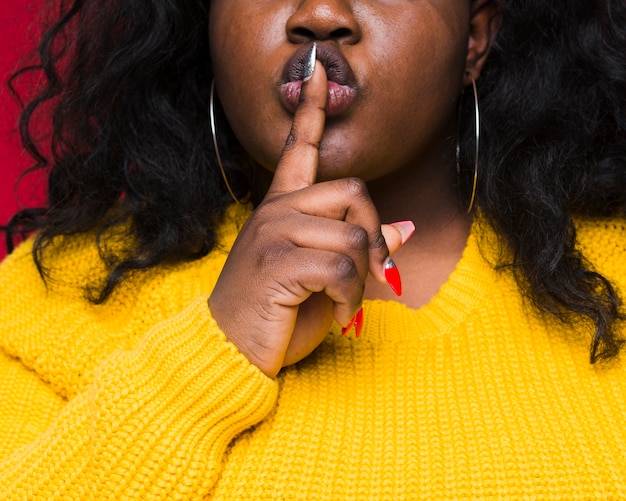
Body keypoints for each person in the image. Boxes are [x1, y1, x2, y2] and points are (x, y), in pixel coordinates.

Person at [1, 0, 625, 497]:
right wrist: (216, 350)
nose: (321, 14)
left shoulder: (614, 275)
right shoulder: (48, 300)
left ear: (475, 38)